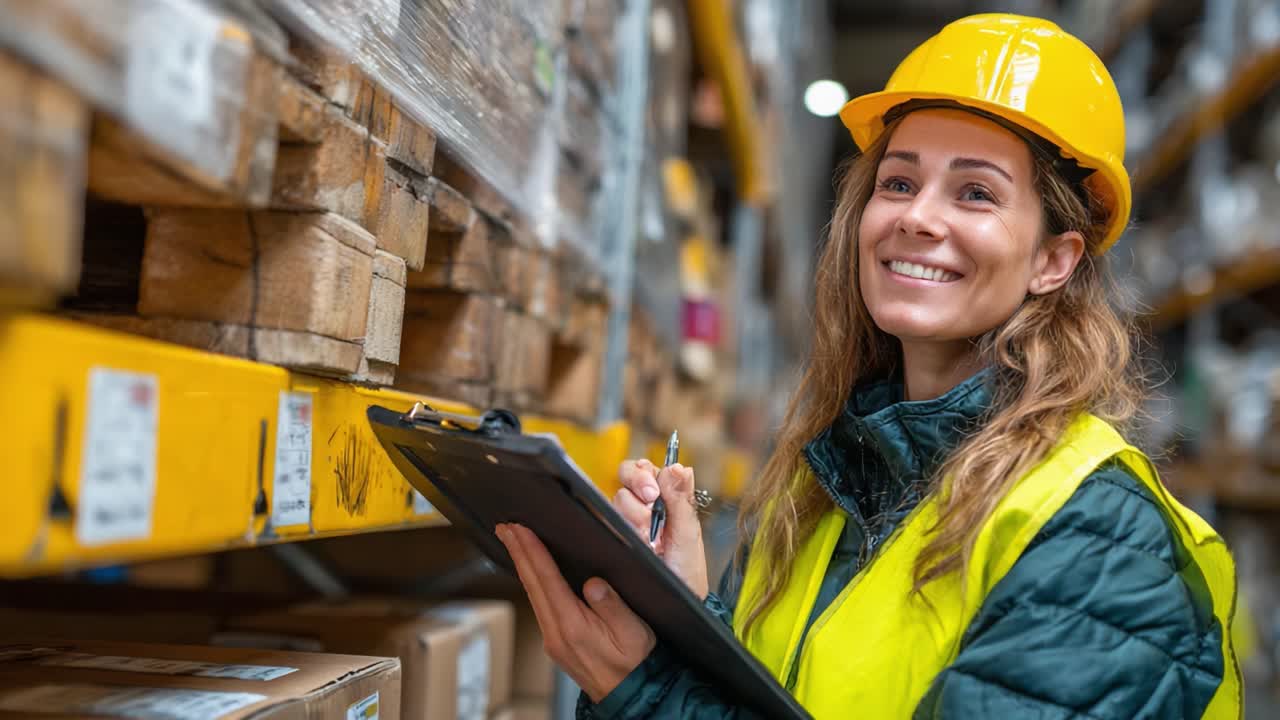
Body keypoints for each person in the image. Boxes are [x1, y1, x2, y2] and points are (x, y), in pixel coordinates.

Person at [495, 13, 1240, 719]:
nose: (917, 216)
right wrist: (688, 621)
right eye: (900, 182)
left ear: (1052, 260)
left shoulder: (1098, 540)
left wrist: (650, 694)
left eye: (976, 193)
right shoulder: (830, 479)